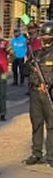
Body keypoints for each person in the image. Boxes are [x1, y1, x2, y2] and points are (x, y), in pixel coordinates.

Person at [24, 22, 53, 167]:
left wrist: (47, 83)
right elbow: (25, 71)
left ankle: (51, 155)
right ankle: (36, 153)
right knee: (36, 123)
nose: (45, 39)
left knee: (51, 125)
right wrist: (30, 65)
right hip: (35, 92)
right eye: (43, 36)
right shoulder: (36, 53)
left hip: (49, 93)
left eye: (48, 36)